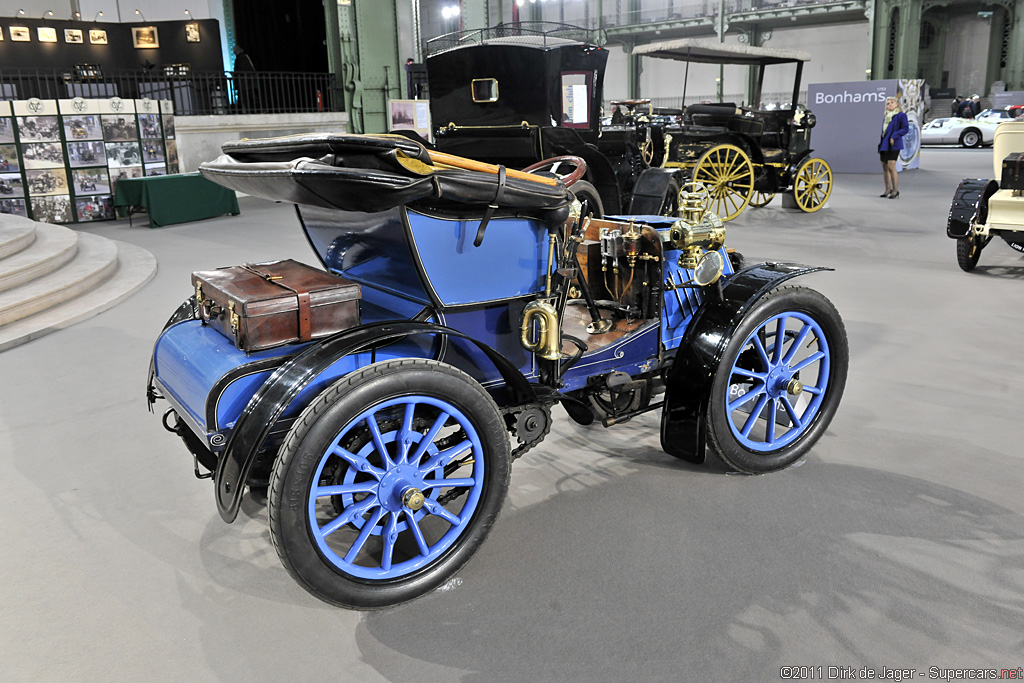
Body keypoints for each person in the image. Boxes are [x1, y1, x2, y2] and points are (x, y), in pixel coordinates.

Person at [878, 96, 908, 199]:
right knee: (885, 166)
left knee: (891, 166)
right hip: (884, 143)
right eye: (887, 103)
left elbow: (905, 129)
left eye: (891, 102)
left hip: (894, 143)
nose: (889, 104)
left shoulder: (901, 115)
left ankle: (895, 191)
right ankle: (887, 189)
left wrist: (894, 136)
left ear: (897, 104)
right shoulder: (886, 116)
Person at [233, 44, 257, 113]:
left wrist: (235, 74)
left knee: (246, 97)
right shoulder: (245, 57)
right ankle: (253, 110)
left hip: (244, 82)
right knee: (250, 97)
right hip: (247, 82)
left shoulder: (241, 58)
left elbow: (241, 70)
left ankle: (247, 111)